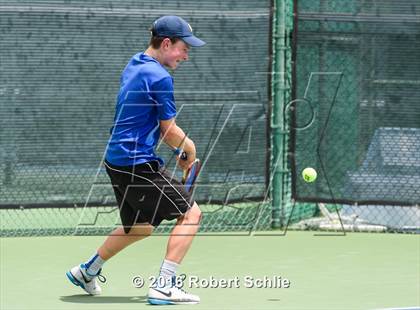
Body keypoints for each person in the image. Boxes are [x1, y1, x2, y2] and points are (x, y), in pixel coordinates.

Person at [66, 15, 206, 305]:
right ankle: (164, 286)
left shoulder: (135, 63)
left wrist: (180, 150)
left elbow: (149, 122)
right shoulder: (160, 77)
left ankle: (86, 271)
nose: (186, 55)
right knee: (191, 215)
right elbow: (169, 131)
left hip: (116, 159)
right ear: (166, 43)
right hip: (136, 163)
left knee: (140, 226)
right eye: (184, 48)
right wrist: (189, 150)